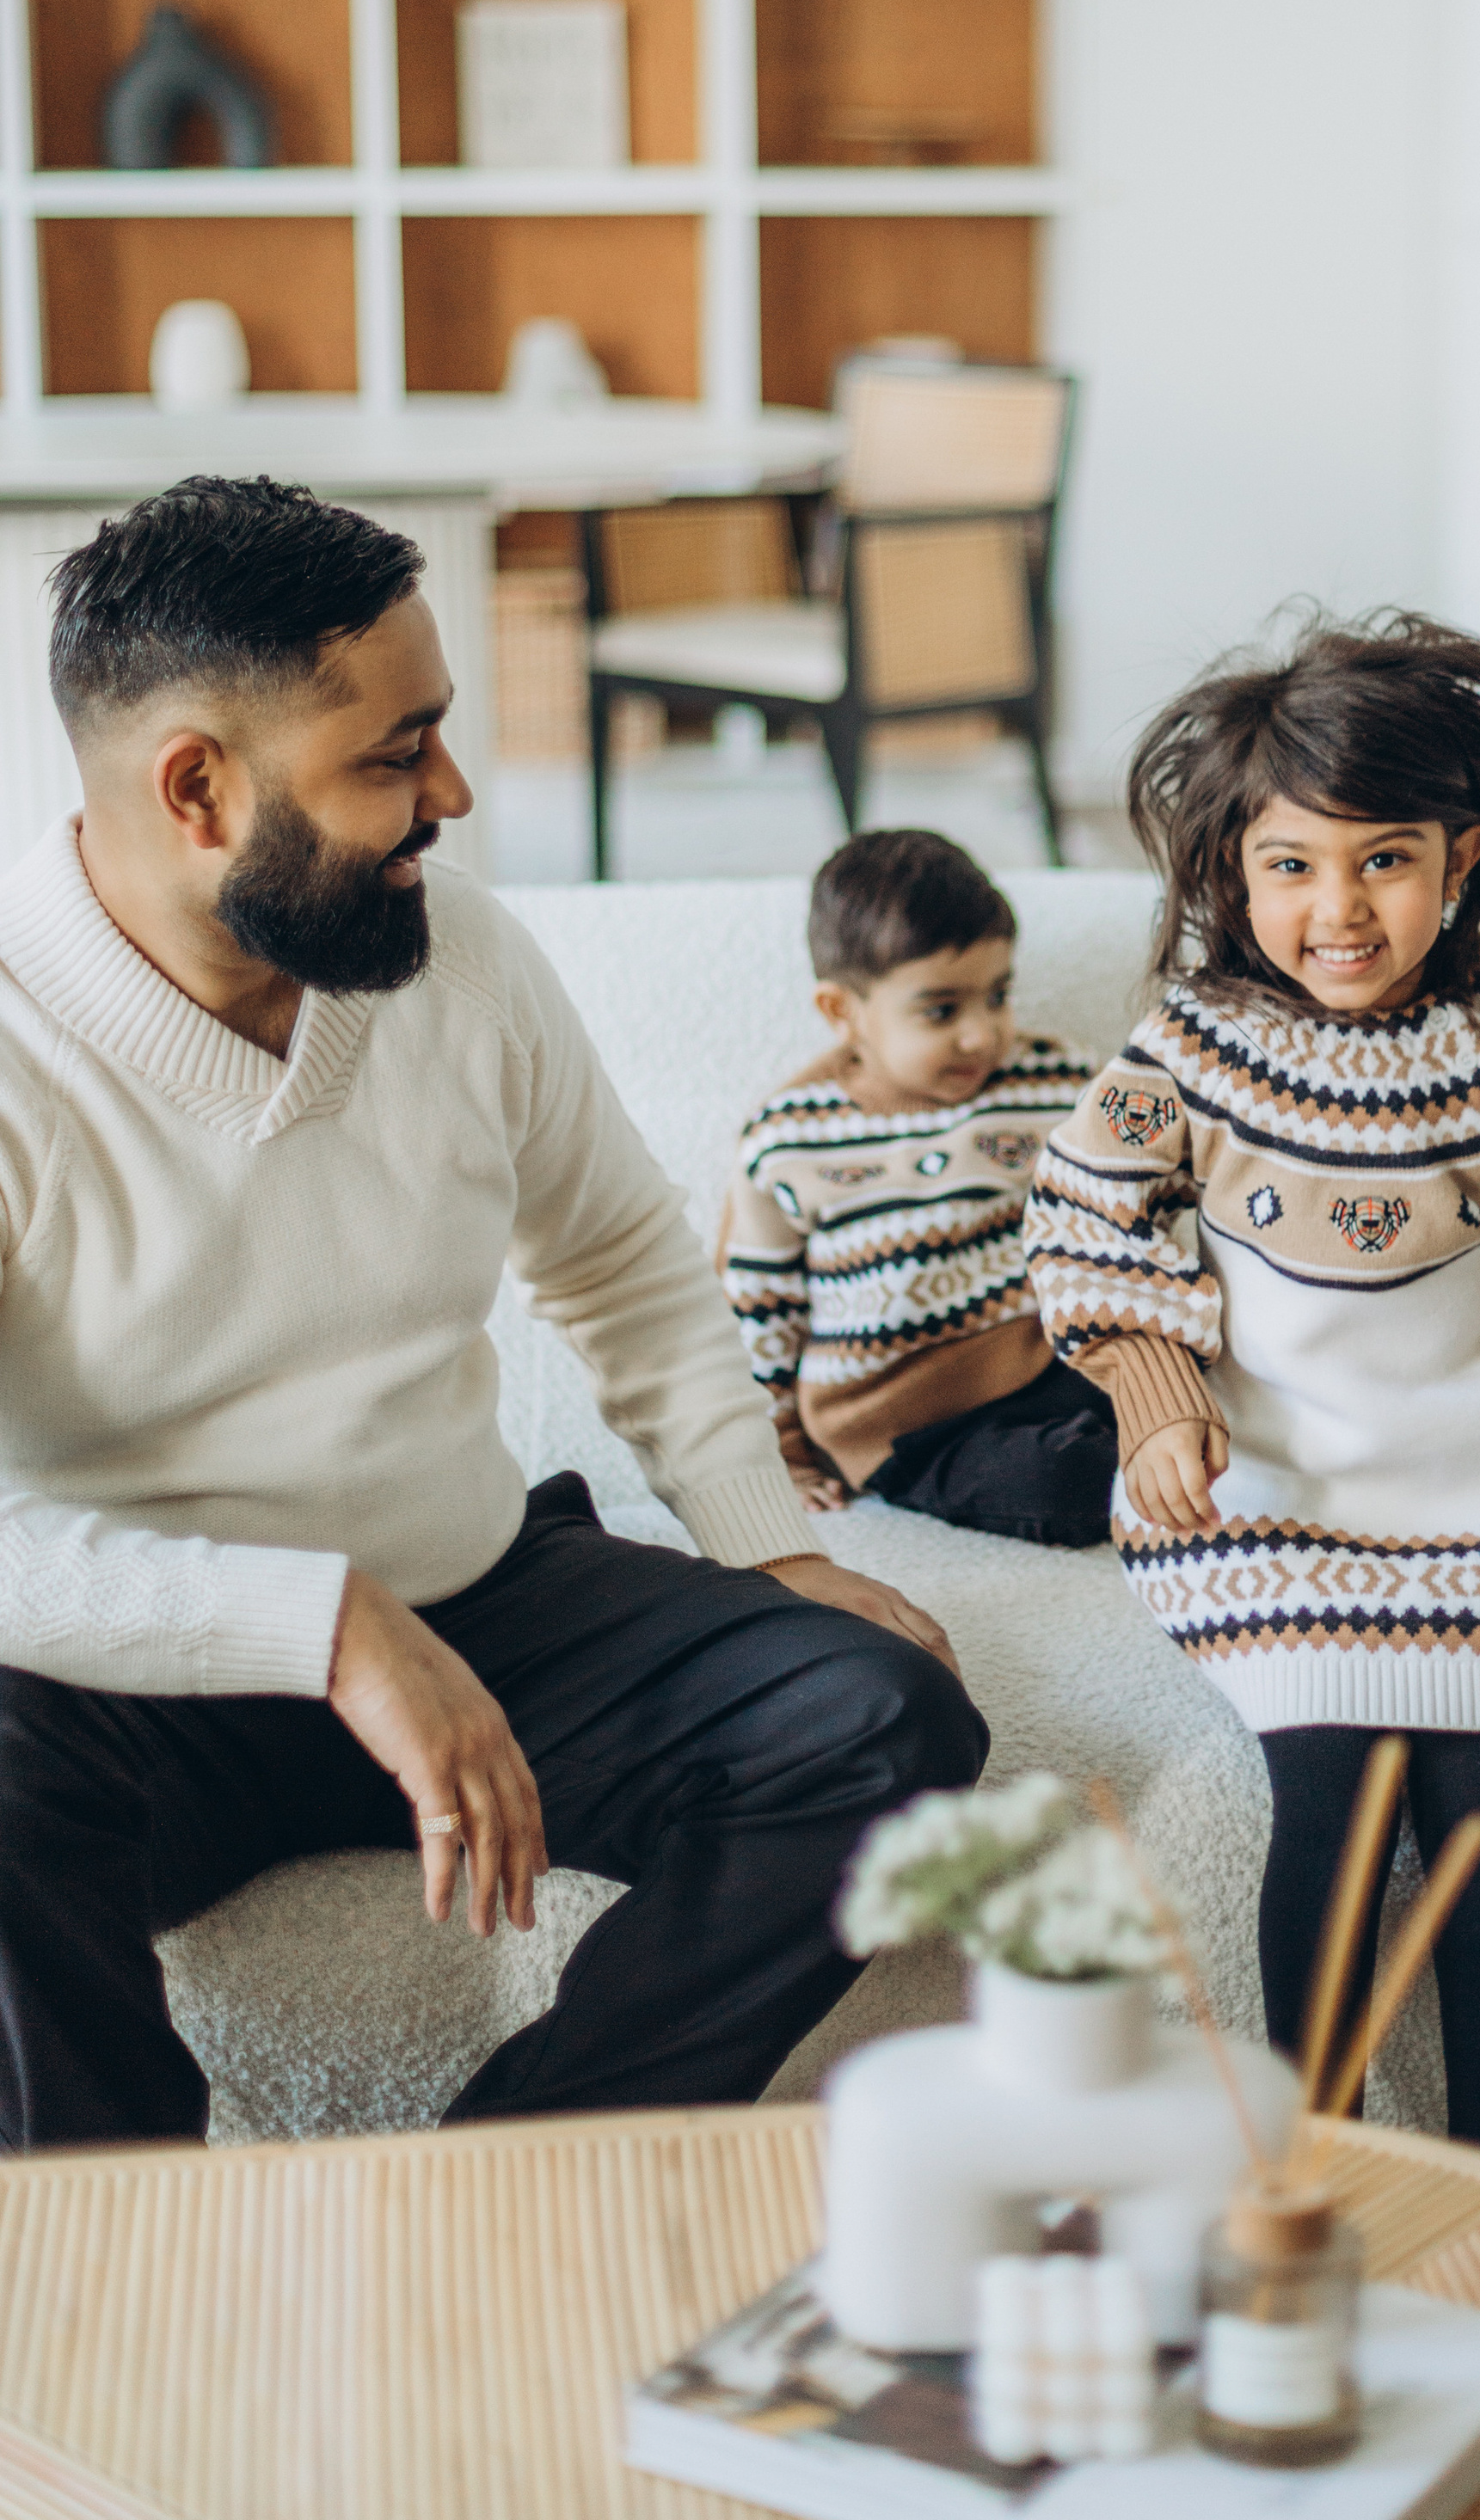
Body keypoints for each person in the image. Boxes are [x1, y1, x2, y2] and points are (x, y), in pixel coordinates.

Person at [0, 475, 986, 2151]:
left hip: (479, 1599)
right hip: (119, 1676)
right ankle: (125, 2270)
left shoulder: (457, 958)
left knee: (885, 1721)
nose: (454, 793)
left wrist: (764, 1537)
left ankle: (504, 2180)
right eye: (395, 757)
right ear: (198, 791)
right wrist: (324, 1625)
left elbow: (614, 1254)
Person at [1022, 614, 1480, 2150]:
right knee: (1331, 1805)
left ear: (1461, 857)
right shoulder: (1193, 1051)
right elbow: (1082, 1216)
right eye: (1292, 867)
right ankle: (1319, 2163)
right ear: (1234, 873)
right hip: (1275, 1489)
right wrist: (1154, 1388)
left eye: (1383, 859)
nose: (1338, 910)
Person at [722, 830, 1114, 1546]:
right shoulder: (787, 1141)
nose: (981, 1035)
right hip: (903, 1421)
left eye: (997, 997)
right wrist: (777, 1454)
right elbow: (760, 1310)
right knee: (1068, 1481)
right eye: (941, 1010)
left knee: (1204, 1400)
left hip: (1048, 1360)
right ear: (844, 1012)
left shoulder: (1055, 1080)